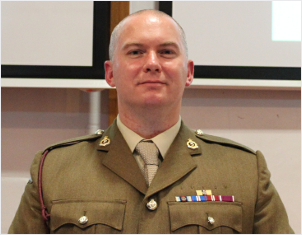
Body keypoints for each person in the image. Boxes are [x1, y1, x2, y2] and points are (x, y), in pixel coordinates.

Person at [9, 9, 293, 234]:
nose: (153, 63)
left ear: (189, 72)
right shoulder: (55, 169)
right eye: (136, 52)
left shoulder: (244, 170)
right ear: (110, 73)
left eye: (167, 52)